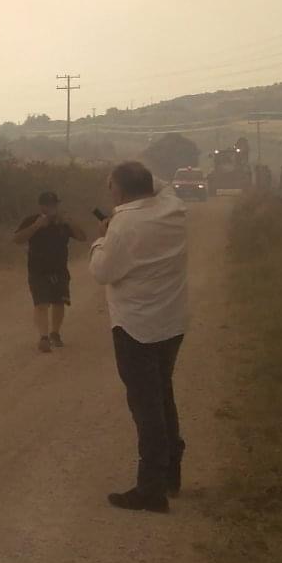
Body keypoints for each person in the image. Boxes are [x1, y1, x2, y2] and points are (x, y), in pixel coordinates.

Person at [90, 161, 189, 513]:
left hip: (134, 326)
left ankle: (151, 489)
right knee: (163, 396)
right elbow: (159, 183)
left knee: (145, 406)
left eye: (111, 185)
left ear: (119, 189)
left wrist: (100, 238)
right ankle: (170, 474)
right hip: (171, 321)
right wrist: (132, 176)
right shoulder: (173, 206)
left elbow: (103, 271)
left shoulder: (122, 225)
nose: (109, 190)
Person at [12, 191, 87, 353]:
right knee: (41, 303)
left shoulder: (63, 222)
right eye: (49, 205)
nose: (52, 208)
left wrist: (70, 222)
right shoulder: (32, 220)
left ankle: (55, 333)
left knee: (59, 302)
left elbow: (82, 237)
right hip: (37, 270)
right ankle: (43, 337)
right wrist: (36, 226)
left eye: (55, 205)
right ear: (42, 206)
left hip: (59, 269)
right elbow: (17, 239)